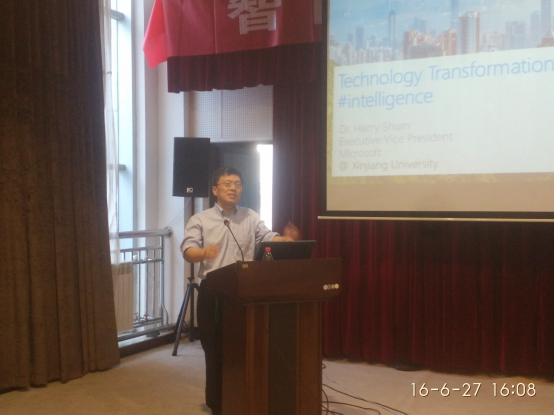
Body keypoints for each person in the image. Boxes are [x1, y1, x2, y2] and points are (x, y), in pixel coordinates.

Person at [180, 167, 300, 415]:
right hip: (214, 293)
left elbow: (268, 237)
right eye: (227, 184)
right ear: (215, 190)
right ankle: (218, 404)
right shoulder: (200, 219)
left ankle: (245, 400)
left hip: (244, 293)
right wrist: (203, 253)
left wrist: (286, 240)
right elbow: (188, 249)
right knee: (215, 351)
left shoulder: (250, 216)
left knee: (245, 348)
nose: (233, 188)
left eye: (237, 184)